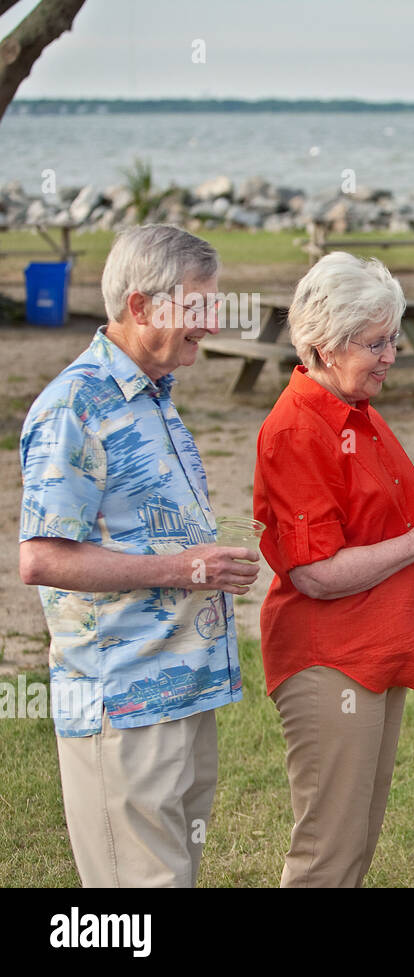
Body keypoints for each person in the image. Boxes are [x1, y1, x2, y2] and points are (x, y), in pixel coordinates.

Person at [18, 224, 259, 887]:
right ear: (142, 307)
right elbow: (41, 559)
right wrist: (188, 569)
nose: (210, 323)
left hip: (183, 692)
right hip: (122, 701)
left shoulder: (154, 399)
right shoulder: (75, 405)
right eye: (197, 306)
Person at [253, 252, 414, 887]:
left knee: (356, 841)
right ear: (325, 346)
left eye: (393, 339)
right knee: (327, 851)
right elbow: (316, 574)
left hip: (373, 646)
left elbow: (370, 524)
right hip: (329, 656)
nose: (390, 355)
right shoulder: (298, 429)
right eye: (374, 342)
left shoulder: (360, 414)